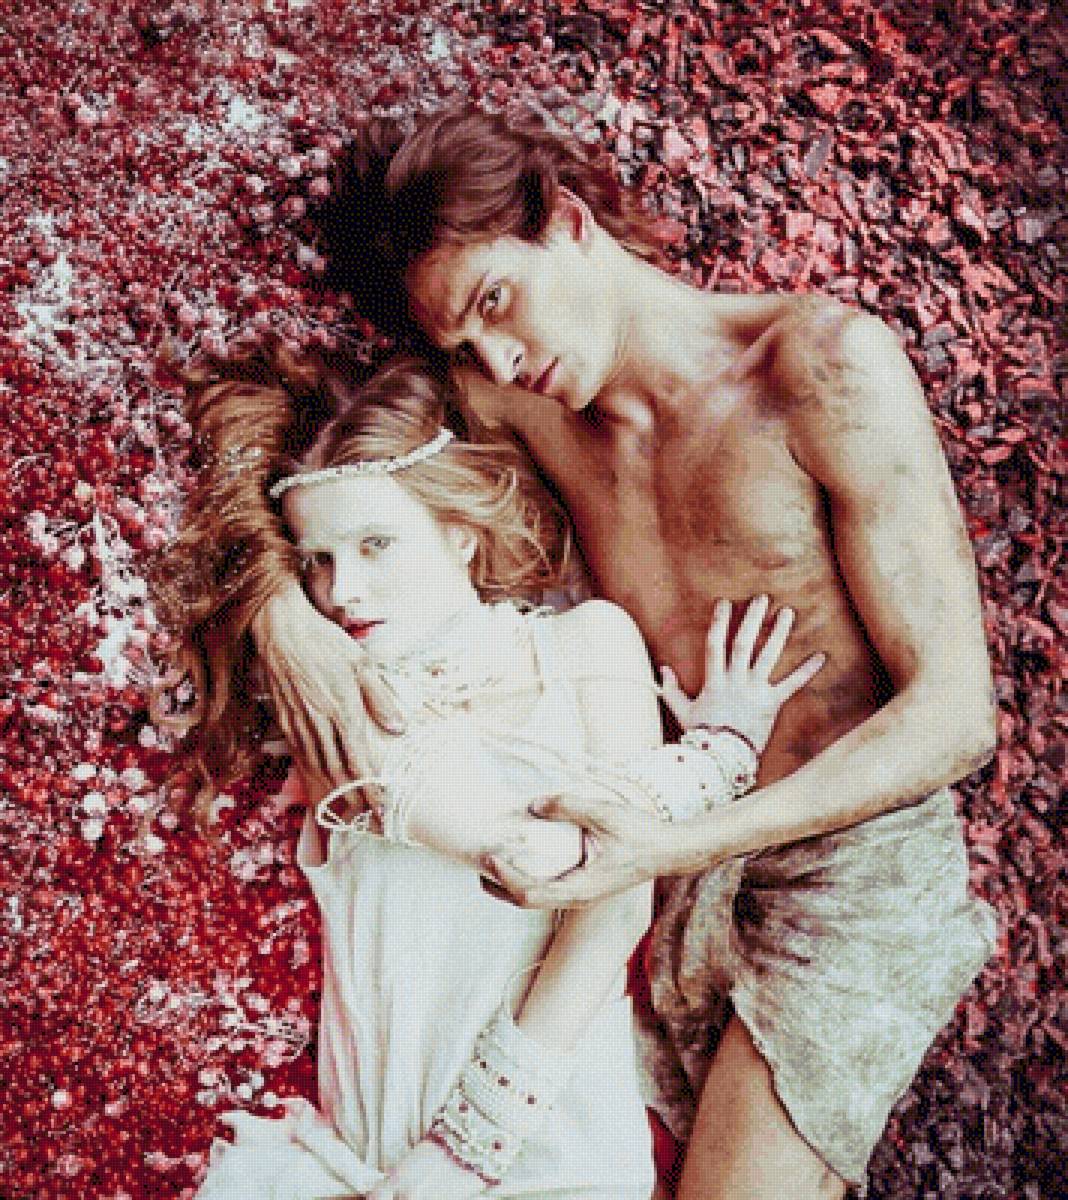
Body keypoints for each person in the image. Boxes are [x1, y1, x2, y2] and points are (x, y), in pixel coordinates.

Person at [247, 105, 999, 1198]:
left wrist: (675, 839)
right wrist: (285, 619)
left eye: (496, 302)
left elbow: (957, 716)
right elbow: (296, 443)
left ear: (567, 221)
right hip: (657, 841)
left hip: (844, 867)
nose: (500, 357)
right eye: (466, 345)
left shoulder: (820, 367)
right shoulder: (518, 403)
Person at [155, 343, 823, 1200]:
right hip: (384, 1157)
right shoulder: (344, 713)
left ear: (461, 534)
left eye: (375, 544)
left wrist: (473, 1144)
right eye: (316, 561)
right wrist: (713, 759)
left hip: (552, 1148)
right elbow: (542, 857)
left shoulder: (586, 643)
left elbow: (614, 904)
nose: (343, 590)